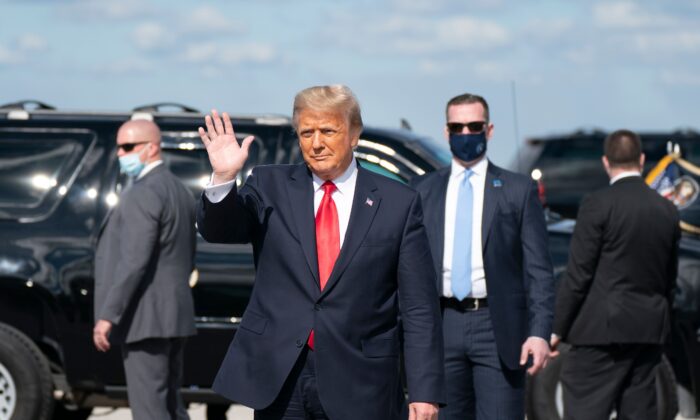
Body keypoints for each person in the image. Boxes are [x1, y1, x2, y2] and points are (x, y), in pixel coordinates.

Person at [196, 85, 444, 420]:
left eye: (328, 131)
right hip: (282, 377)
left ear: (354, 134)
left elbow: (419, 308)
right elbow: (220, 231)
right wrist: (224, 177)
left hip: (362, 380)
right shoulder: (270, 186)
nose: (316, 143)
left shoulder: (398, 202)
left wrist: (425, 390)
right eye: (307, 132)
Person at [411, 93, 555, 420]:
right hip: (442, 326)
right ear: (446, 132)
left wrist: (539, 331)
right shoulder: (422, 190)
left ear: (488, 130)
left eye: (473, 126)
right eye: (457, 127)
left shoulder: (517, 190)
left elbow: (539, 269)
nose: (465, 134)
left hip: (497, 326)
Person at [550, 129, 681, 420]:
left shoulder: (597, 204)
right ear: (643, 160)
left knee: (585, 410)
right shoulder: (667, 209)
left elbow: (579, 274)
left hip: (600, 334)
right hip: (647, 331)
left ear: (606, 162)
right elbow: (668, 279)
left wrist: (556, 328)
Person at [93, 119, 196, 420]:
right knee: (171, 404)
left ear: (151, 148)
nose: (120, 154)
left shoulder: (143, 192)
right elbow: (187, 256)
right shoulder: (180, 190)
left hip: (145, 318)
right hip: (174, 314)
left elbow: (133, 261)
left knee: (150, 409)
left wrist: (108, 315)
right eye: (118, 147)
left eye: (127, 147)